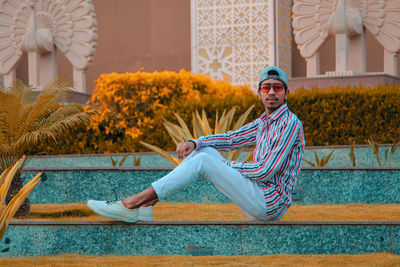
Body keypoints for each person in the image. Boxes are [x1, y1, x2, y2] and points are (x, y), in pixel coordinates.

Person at [88, 66, 305, 222]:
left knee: (205, 161)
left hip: (269, 203)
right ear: (259, 93)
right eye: (266, 88)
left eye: (277, 87)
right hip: (257, 194)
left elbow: (265, 170)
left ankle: (130, 204)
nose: (272, 92)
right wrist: (195, 142)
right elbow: (230, 139)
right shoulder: (264, 123)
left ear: (286, 93)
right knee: (205, 150)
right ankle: (145, 207)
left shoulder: (289, 124)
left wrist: (222, 166)